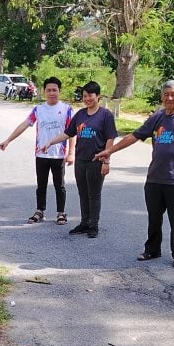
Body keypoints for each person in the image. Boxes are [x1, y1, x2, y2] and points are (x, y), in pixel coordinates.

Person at [93, 79, 174, 267]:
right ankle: (152, 249)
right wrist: (110, 151)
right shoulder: (158, 117)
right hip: (155, 178)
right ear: (161, 97)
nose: (169, 98)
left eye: (173, 95)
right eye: (166, 94)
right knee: (154, 217)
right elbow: (134, 136)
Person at [40, 81, 116, 238]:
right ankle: (84, 222)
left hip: (96, 160)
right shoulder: (80, 114)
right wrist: (50, 141)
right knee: (83, 193)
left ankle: (93, 225)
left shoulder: (105, 115)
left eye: (90, 95)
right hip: (81, 160)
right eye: (85, 96)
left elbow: (110, 139)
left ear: (98, 96)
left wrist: (106, 161)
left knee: (94, 194)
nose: (87, 99)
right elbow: (68, 133)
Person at [0, 77, 76, 224]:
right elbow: (24, 125)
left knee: (60, 185)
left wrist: (71, 153)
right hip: (41, 154)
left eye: (54, 90)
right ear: (43, 91)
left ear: (59, 91)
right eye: (48, 90)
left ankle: (61, 212)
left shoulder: (66, 109)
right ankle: (40, 211)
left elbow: (71, 132)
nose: (52, 93)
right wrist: (8, 140)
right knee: (41, 185)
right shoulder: (38, 109)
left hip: (58, 154)